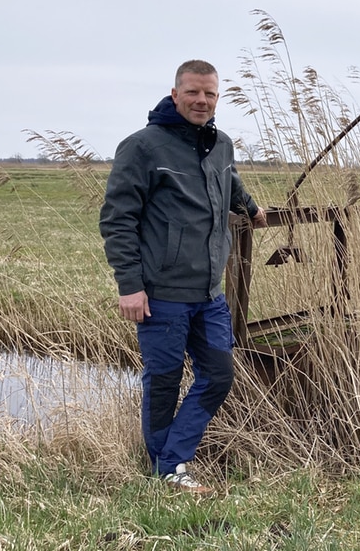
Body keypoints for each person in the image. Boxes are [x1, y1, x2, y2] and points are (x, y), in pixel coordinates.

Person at [99, 59, 267, 494]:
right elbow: (118, 220)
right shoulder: (143, 147)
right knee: (164, 382)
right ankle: (170, 471)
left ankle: (168, 463)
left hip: (209, 293)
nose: (202, 100)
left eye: (210, 94)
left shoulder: (221, 143)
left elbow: (230, 183)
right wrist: (130, 286)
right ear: (175, 95)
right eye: (193, 92)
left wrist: (251, 210)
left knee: (219, 375)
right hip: (162, 294)